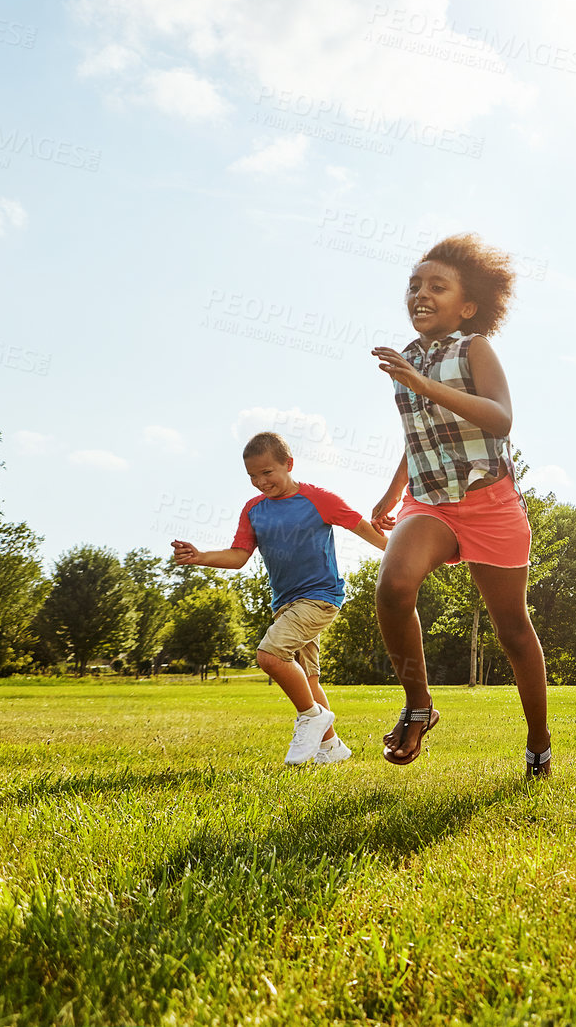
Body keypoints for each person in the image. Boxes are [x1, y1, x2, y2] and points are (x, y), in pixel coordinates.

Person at [369, 234, 551, 775]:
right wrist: (389, 493)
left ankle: (538, 741)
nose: (421, 294)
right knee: (394, 585)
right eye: (414, 286)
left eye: (437, 287)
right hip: (429, 503)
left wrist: (423, 383)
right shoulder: (407, 360)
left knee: (512, 629)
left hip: (489, 502)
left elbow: (500, 418)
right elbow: (421, 435)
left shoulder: (473, 348)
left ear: (467, 306)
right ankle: (419, 705)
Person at [171, 431, 386, 765]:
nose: (260, 481)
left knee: (270, 655)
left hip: (320, 597)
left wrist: (408, 552)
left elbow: (363, 529)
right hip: (285, 604)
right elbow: (239, 556)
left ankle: (311, 718)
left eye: (267, 472)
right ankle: (332, 749)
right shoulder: (254, 510)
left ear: (289, 464)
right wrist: (198, 556)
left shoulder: (319, 499)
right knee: (308, 678)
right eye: (252, 476)